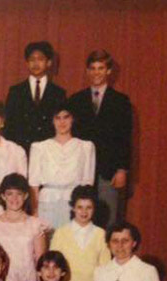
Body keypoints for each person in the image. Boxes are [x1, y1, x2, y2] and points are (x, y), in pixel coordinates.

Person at [67, 50, 133, 227]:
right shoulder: (75, 100)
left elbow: (125, 138)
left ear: (109, 71)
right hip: (81, 170)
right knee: (79, 218)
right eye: (92, 68)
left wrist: (122, 170)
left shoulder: (121, 101)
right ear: (87, 71)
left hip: (108, 171)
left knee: (108, 219)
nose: (96, 72)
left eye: (101, 68)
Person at [28, 103, 96, 229]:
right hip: (47, 203)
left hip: (74, 205)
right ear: (52, 121)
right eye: (57, 118)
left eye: (66, 117)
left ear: (72, 119)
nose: (62, 122)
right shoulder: (39, 147)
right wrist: (35, 211)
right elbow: (34, 184)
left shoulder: (85, 147)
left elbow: (88, 183)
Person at [0, 173, 47, 281]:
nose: (14, 198)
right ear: (3, 196)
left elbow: (41, 262)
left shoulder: (35, 225)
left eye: (19, 194)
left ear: (26, 196)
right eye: (10, 193)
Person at [3, 41, 68, 154]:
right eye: (32, 59)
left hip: (49, 153)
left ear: (49, 62)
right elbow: (9, 127)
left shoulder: (59, 93)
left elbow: (62, 128)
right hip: (21, 152)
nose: (35, 63)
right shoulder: (15, 92)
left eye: (40, 59)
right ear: (27, 63)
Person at [49, 186, 110, 281]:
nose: (84, 212)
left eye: (89, 208)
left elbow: (105, 269)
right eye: (80, 207)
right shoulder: (61, 233)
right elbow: (53, 266)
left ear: (94, 209)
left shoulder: (101, 234)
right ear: (73, 208)